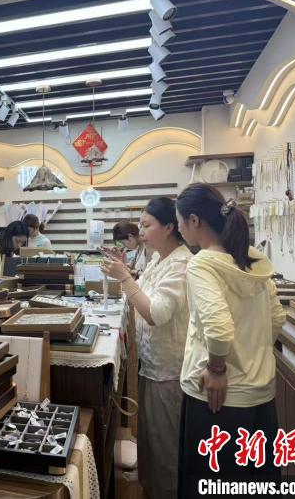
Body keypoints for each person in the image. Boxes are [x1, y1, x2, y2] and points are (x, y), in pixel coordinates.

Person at [175, 184, 285, 497]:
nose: (180, 229)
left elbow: (219, 328)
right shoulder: (251, 261)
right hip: (261, 394)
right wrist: (250, 355)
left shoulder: (203, 263)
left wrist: (218, 369)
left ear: (194, 221)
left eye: (180, 221)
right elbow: (276, 318)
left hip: (217, 398)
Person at [101, 197, 192, 499]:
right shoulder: (159, 259)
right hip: (153, 366)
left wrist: (125, 277)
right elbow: (144, 293)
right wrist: (126, 271)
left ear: (169, 227)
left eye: (146, 225)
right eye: (140, 225)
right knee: (152, 443)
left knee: (166, 451)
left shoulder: (180, 264)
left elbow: (155, 313)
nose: (140, 232)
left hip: (169, 371)